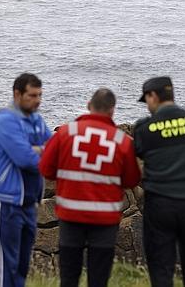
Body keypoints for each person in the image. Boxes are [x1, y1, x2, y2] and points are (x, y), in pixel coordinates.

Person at [38, 88, 141, 287]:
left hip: (71, 216)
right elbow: (131, 180)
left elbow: (46, 169)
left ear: (88, 106)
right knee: (99, 278)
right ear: (112, 111)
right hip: (104, 220)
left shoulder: (66, 133)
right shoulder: (122, 142)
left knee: (68, 276)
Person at [133, 76, 185, 287]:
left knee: (161, 267)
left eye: (146, 99)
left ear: (153, 96)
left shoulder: (144, 128)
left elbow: (137, 157)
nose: (147, 105)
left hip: (161, 204)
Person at [0, 73, 51, 287]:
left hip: (28, 202)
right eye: (32, 95)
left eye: (40, 95)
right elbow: (26, 159)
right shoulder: (6, 120)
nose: (37, 100)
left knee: (22, 267)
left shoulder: (37, 120)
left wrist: (38, 149)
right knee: (4, 268)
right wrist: (41, 150)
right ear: (17, 94)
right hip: (4, 201)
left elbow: (56, 147)